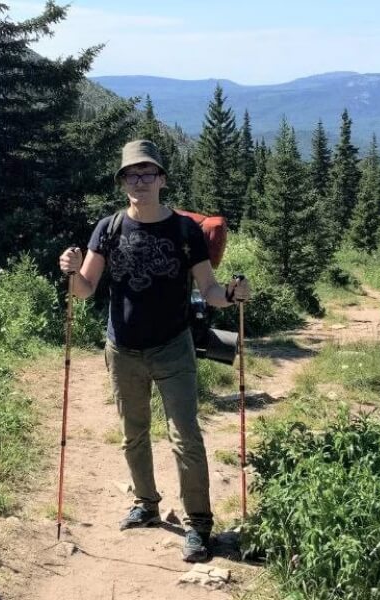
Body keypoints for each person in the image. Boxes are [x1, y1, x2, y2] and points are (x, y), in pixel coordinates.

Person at [59, 139, 250, 562]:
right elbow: (85, 289)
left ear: (162, 179)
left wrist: (231, 295)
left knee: (186, 436)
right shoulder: (108, 228)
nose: (139, 181)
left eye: (147, 173)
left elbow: (209, 289)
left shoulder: (185, 231)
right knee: (133, 433)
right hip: (122, 349)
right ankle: (146, 504)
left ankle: (198, 524)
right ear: (122, 182)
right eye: (131, 175)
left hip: (173, 348)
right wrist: (71, 272)